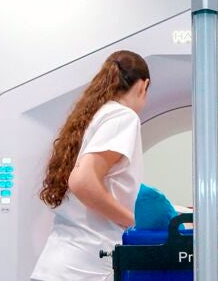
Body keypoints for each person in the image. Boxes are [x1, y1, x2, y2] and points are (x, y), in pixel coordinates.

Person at [31, 50, 150, 281]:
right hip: (87, 266)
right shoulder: (123, 117)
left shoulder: (92, 117)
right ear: (143, 86)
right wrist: (135, 223)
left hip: (58, 264)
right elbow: (82, 181)